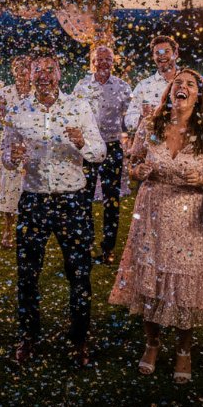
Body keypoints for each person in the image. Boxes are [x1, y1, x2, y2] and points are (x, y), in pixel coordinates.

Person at [109, 69, 203, 383]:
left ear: (199, 95)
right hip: (152, 210)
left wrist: (200, 179)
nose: (183, 87)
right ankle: (151, 343)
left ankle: (184, 350)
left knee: (185, 282)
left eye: (190, 84)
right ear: (169, 91)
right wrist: (140, 170)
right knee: (152, 278)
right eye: (178, 83)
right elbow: (132, 164)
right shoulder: (151, 124)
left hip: (189, 215)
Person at [1, 50, 106, 367]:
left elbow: (99, 152)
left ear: (59, 74)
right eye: (38, 70)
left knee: (79, 275)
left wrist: (81, 144)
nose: (44, 75)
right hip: (33, 201)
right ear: (30, 75)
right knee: (27, 275)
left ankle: (79, 340)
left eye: (50, 69)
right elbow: (6, 156)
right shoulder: (18, 110)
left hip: (72, 201)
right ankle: (28, 337)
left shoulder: (78, 106)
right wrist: (13, 156)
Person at [73, 45, 131, 265]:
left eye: (108, 59)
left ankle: (108, 248)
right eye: (99, 59)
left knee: (111, 199)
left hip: (113, 146)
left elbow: (131, 116)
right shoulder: (82, 86)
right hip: (88, 147)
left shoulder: (123, 87)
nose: (104, 62)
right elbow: (73, 113)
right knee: (84, 197)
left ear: (113, 62)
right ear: (92, 62)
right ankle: (86, 244)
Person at [0, 54, 32, 249]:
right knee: (11, 187)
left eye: (26, 67)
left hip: (33, 145)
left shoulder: (37, 92)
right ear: (13, 71)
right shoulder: (6, 92)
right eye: (18, 67)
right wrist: (1, 116)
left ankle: (31, 230)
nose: (22, 71)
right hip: (10, 146)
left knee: (31, 187)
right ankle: (8, 232)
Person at [124, 35, 179, 134]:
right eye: (157, 53)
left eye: (166, 51)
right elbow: (129, 119)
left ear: (175, 53)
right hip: (152, 143)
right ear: (153, 57)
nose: (162, 56)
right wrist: (144, 118)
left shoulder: (189, 82)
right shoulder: (143, 86)